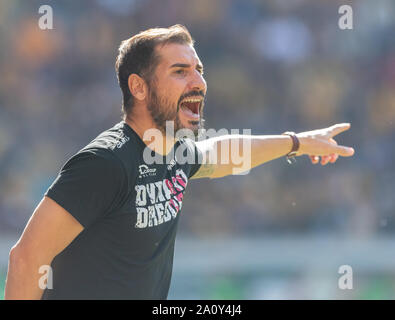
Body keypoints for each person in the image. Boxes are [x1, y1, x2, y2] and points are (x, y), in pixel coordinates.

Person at [4, 24, 354, 299]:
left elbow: (225, 153)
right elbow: (25, 260)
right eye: (180, 71)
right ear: (139, 87)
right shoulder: (104, 162)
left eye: (199, 69)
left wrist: (296, 143)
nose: (199, 81)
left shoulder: (173, 149)